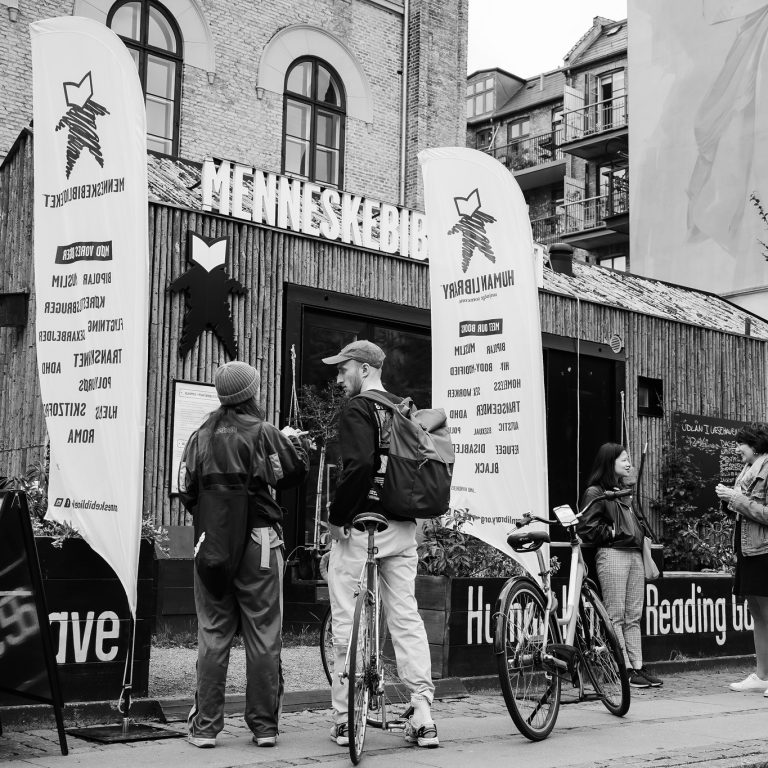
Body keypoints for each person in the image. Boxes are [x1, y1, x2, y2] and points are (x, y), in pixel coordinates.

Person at [179, 361, 308, 749]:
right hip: (259, 543)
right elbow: (294, 474)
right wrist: (294, 444)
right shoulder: (264, 433)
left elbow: (187, 492)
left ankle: (204, 729)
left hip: (213, 545)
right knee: (264, 635)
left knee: (214, 633)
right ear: (250, 394)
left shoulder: (199, 435)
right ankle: (264, 728)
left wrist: (219, 523)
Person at [322, 340, 439, 749]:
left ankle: (343, 717)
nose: (339, 378)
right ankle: (423, 713)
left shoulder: (359, 408)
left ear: (366, 369)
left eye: (344, 369)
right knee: (405, 614)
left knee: (346, 615)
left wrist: (336, 520)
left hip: (362, 527)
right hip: (403, 528)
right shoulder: (404, 407)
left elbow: (357, 468)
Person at [577, 442, 663, 689]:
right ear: (609, 462)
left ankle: (637, 666)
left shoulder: (622, 491)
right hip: (613, 554)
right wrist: (614, 532)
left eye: (629, 459)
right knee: (616, 615)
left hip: (634, 554)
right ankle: (622, 668)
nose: (628, 463)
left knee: (633, 615)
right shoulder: (595, 492)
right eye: (623, 459)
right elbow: (587, 529)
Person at [715, 424, 768, 695]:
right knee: (757, 611)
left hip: (765, 550)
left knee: (767, 611)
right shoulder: (747, 471)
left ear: (756, 444)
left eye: (741, 444)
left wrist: (736, 498)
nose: (737, 449)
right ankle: (762, 675)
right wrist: (728, 501)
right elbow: (743, 513)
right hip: (749, 550)